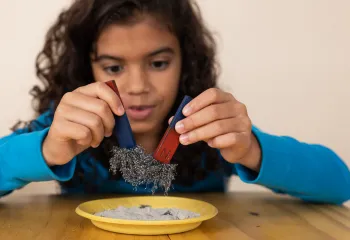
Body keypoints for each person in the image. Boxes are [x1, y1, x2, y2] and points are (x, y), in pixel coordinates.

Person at [0, 0, 349, 204]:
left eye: (158, 63)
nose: (136, 86)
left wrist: (251, 151)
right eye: (113, 67)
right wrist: (46, 150)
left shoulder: (208, 129)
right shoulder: (67, 129)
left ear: (187, 61)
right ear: (85, 68)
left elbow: (340, 183)